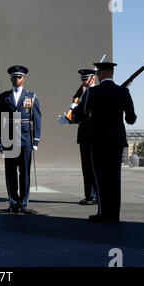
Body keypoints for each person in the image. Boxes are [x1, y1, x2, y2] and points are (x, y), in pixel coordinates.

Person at [74, 62, 137, 223]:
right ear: (112, 74)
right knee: (115, 179)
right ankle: (114, 215)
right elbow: (131, 119)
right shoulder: (123, 92)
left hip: (97, 140)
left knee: (101, 178)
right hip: (116, 141)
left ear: (100, 75)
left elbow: (81, 114)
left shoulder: (92, 92)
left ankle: (103, 213)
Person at [0, 65, 41, 213]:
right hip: (9, 139)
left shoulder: (31, 96)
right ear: (11, 78)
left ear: (24, 78)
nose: (16, 79)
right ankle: (13, 201)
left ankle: (23, 202)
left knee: (24, 172)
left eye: (19, 77)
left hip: (25, 138)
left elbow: (37, 119)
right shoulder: (3, 97)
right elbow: (0, 120)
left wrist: (36, 140)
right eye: (14, 77)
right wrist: (1, 141)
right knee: (10, 172)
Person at [59, 69, 98, 205]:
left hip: (94, 134)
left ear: (93, 79)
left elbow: (89, 114)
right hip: (84, 135)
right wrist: (69, 118)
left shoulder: (96, 92)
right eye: (82, 80)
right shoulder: (81, 93)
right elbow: (81, 115)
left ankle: (96, 195)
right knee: (86, 167)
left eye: (85, 80)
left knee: (94, 167)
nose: (83, 82)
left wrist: (76, 111)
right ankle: (89, 195)